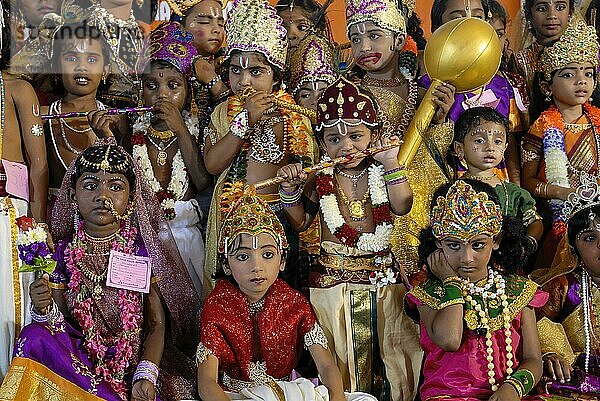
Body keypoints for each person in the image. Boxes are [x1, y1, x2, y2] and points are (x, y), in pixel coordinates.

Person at [0, 141, 202, 400]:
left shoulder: (140, 251)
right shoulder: (62, 252)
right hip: (82, 359)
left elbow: (156, 323)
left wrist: (145, 374)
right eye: (91, 185)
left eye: (116, 187)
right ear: (73, 196)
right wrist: (42, 309)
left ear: (131, 199)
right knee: (34, 335)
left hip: (130, 363)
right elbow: (60, 323)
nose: (102, 196)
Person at [277, 76, 420, 401]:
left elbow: (403, 204)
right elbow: (302, 223)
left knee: (392, 370)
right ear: (322, 143)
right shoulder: (321, 177)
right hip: (333, 290)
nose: (346, 147)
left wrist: (390, 163)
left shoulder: (384, 171)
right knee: (341, 373)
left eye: (356, 136)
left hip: (383, 284)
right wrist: (289, 192)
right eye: (334, 139)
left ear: (374, 136)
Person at [196, 193, 377, 401]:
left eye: (267, 255)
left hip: (288, 394)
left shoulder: (294, 303)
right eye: (243, 256)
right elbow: (206, 382)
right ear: (226, 265)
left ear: (282, 260)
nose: (256, 267)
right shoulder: (218, 305)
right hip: (236, 396)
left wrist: (337, 397)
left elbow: (326, 365)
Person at [202, 0, 316, 295]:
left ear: (276, 76)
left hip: (281, 218)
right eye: (236, 71)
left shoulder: (294, 117)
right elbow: (213, 165)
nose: (244, 80)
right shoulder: (222, 112)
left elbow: (310, 177)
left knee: (281, 296)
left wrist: (295, 187)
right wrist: (244, 122)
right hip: (232, 215)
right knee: (233, 295)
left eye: (256, 71)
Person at [406, 179, 547, 400]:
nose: (467, 258)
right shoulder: (428, 293)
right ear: (438, 243)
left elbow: (533, 359)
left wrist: (513, 388)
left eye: (478, 244)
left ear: (497, 240)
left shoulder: (518, 290)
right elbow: (450, 340)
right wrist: (450, 282)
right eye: (454, 245)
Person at [346, 0, 455, 281]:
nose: (364, 48)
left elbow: (438, 151)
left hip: (429, 200)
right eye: (355, 39)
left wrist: (441, 119)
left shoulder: (421, 92)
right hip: (381, 202)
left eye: (373, 36)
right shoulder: (349, 97)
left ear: (398, 40)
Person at [127, 22, 210, 295]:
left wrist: (181, 130)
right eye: (152, 85)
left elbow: (201, 182)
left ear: (188, 93)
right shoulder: (130, 131)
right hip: (143, 240)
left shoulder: (197, 132)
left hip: (187, 242)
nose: (162, 94)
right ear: (141, 91)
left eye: (173, 85)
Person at [522, 20, 600, 269]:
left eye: (588, 73)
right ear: (547, 86)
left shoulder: (597, 121)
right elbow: (529, 182)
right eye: (569, 74)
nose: (581, 81)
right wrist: (562, 193)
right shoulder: (541, 127)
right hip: (558, 219)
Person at [425, 0, 527, 184]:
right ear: (436, 28)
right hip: (453, 189)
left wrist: (516, 190)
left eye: (478, 17)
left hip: (499, 187)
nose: (470, 25)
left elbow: (510, 146)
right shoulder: (429, 87)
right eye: (457, 18)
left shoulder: (502, 85)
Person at [0, 1, 48, 380]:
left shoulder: (18, 89)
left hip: (11, 218)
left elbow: (39, 166)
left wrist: (39, 229)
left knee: (10, 308)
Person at [531, 173, 600, 397]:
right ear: (573, 251)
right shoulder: (564, 286)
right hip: (580, 384)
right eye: (589, 238)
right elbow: (534, 321)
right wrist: (549, 353)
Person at [44, 23, 125, 194]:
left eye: (92, 59)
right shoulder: (43, 117)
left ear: (105, 71)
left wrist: (107, 137)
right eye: (71, 58)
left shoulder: (118, 120)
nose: (82, 67)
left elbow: (125, 179)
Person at [452, 107, 543, 256]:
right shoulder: (452, 192)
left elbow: (535, 222)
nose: (490, 147)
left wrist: (526, 243)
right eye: (480, 140)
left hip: (505, 267)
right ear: (459, 148)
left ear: (505, 148)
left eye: (498, 141)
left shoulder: (514, 193)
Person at [516, 0, 573, 97]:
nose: (552, 15)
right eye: (541, 9)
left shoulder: (583, 54)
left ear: (570, 13)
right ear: (529, 15)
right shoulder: (519, 60)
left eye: (560, 7)